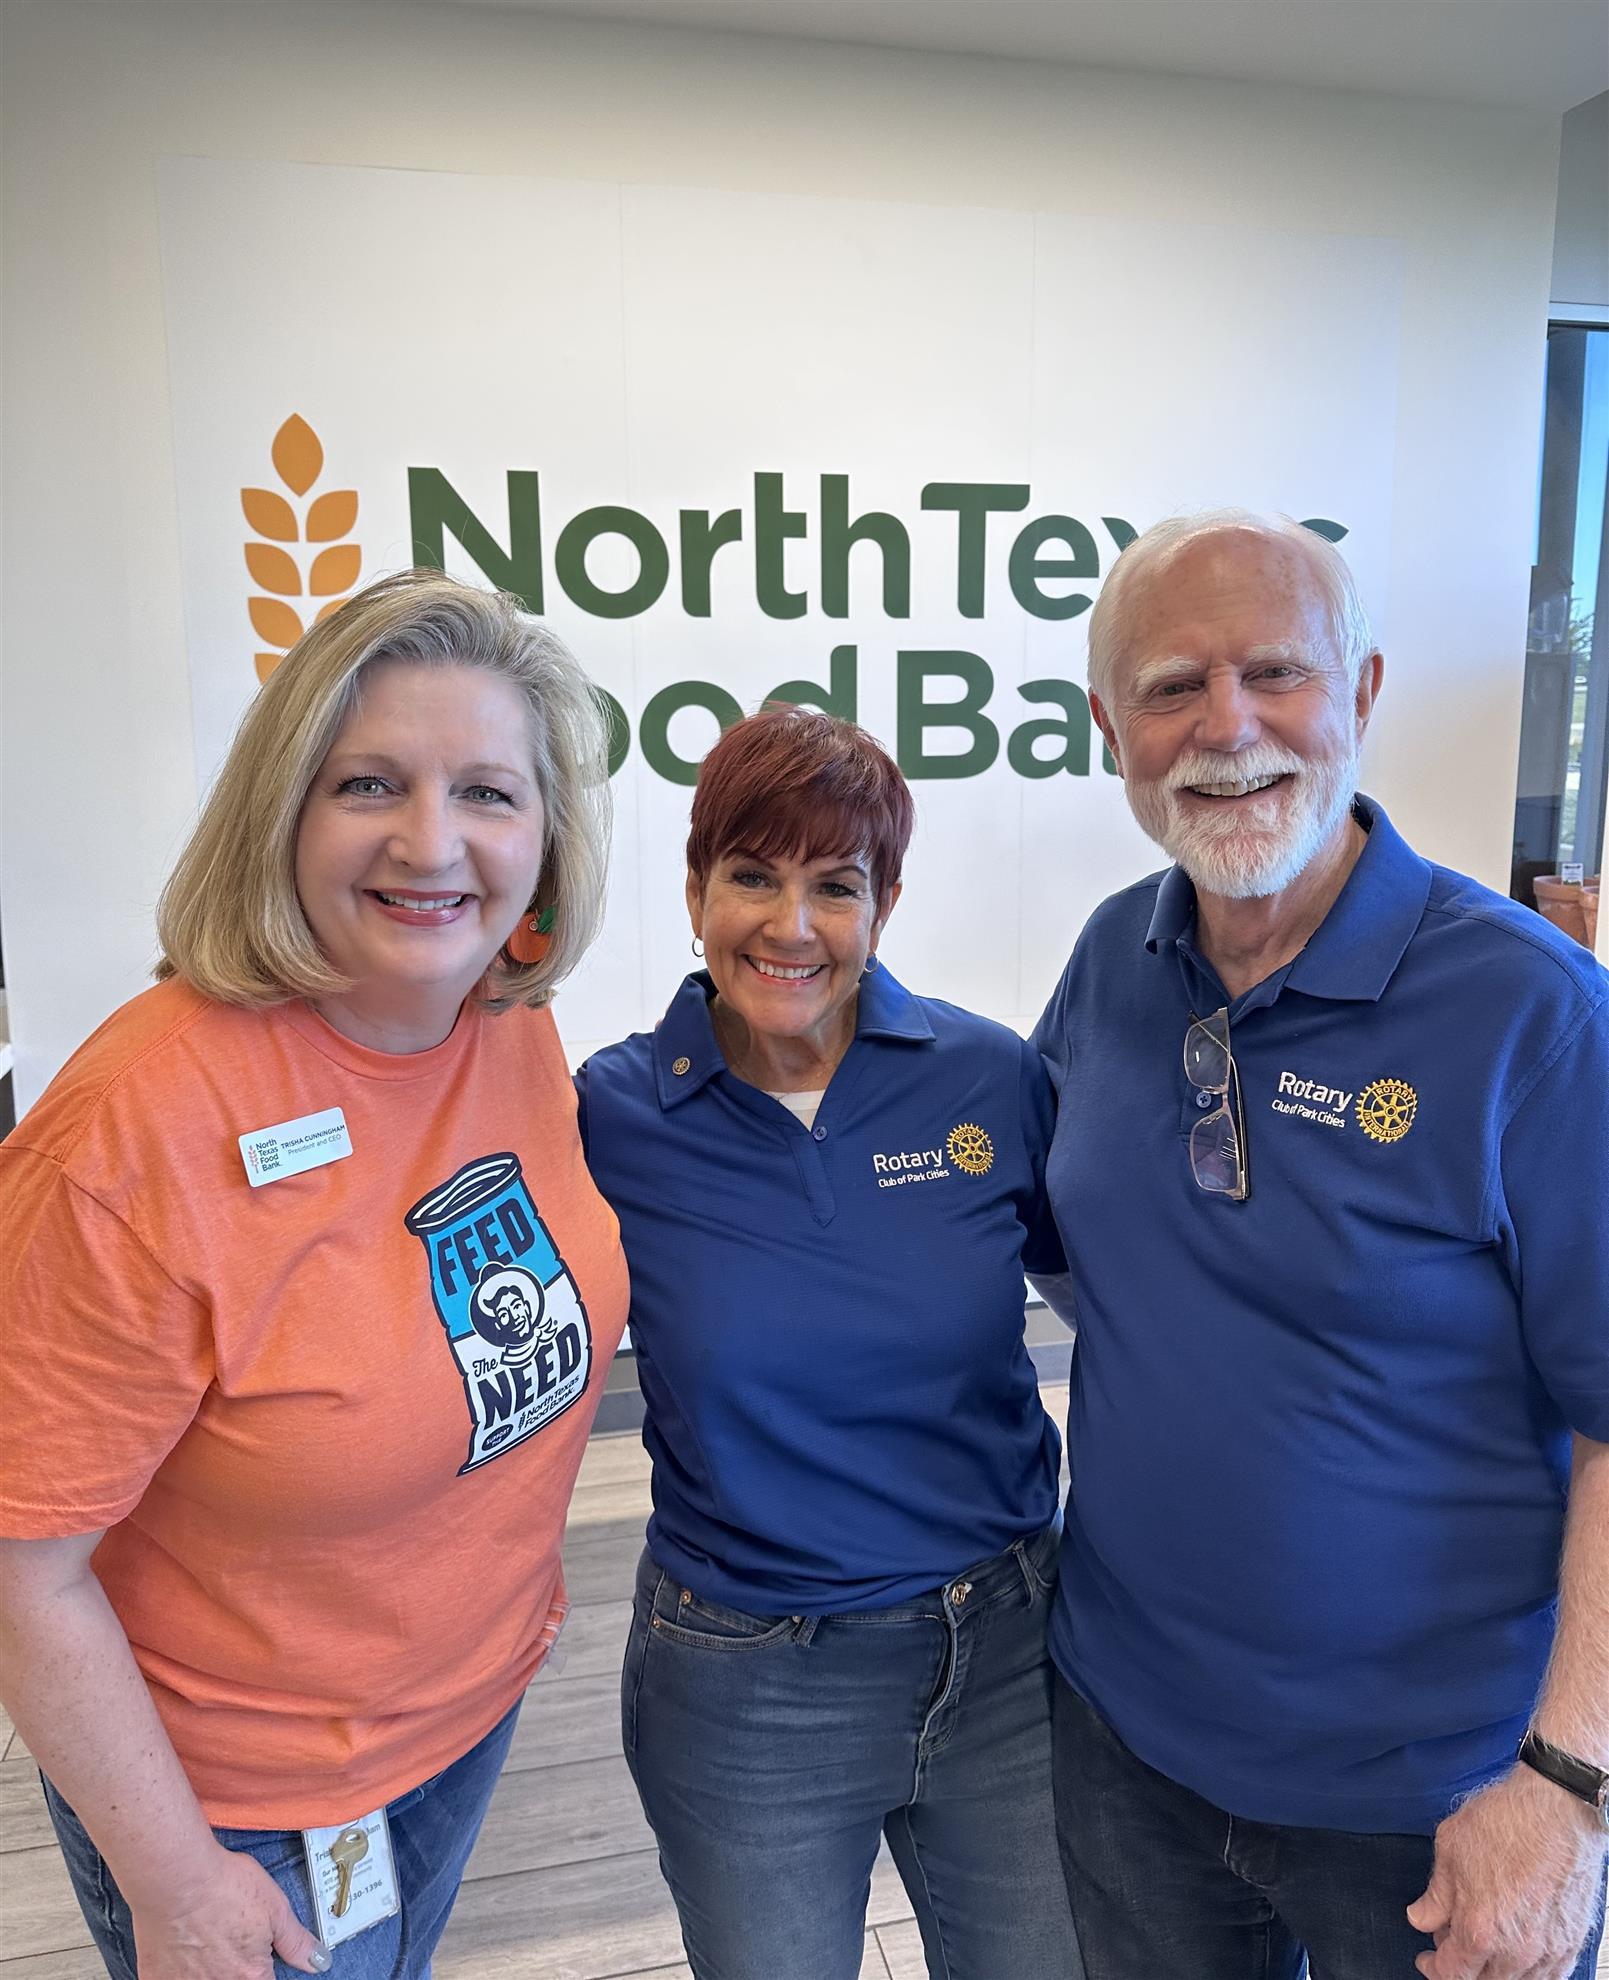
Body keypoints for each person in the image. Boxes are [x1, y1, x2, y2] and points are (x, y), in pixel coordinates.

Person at [0, 570, 629, 1980]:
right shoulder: (129, 1136)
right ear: (282, 810)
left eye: (487, 792)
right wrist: (176, 1882)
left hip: (462, 1722)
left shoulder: (505, 1026)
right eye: (369, 785)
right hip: (242, 1811)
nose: (432, 842)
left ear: (545, 839)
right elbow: (20, 1567)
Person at [1033, 509, 1609, 1980]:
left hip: (1434, 1806)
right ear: (1110, 729)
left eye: (1275, 673)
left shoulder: (1535, 1017)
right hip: (1124, 1746)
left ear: (1359, 693)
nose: (1227, 727)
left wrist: (1567, 1789)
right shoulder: (1110, 958)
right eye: (1172, 686)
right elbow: (1072, 1244)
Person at [576, 706, 1082, 1980]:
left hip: (1009, 1649)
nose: (790, 926)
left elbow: (1105, 1300)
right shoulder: (611, 1116)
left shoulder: (985, 1077)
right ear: (695, 889)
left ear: (884, 903)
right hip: (752, 1682)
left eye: (835, 886)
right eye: (752, 876)